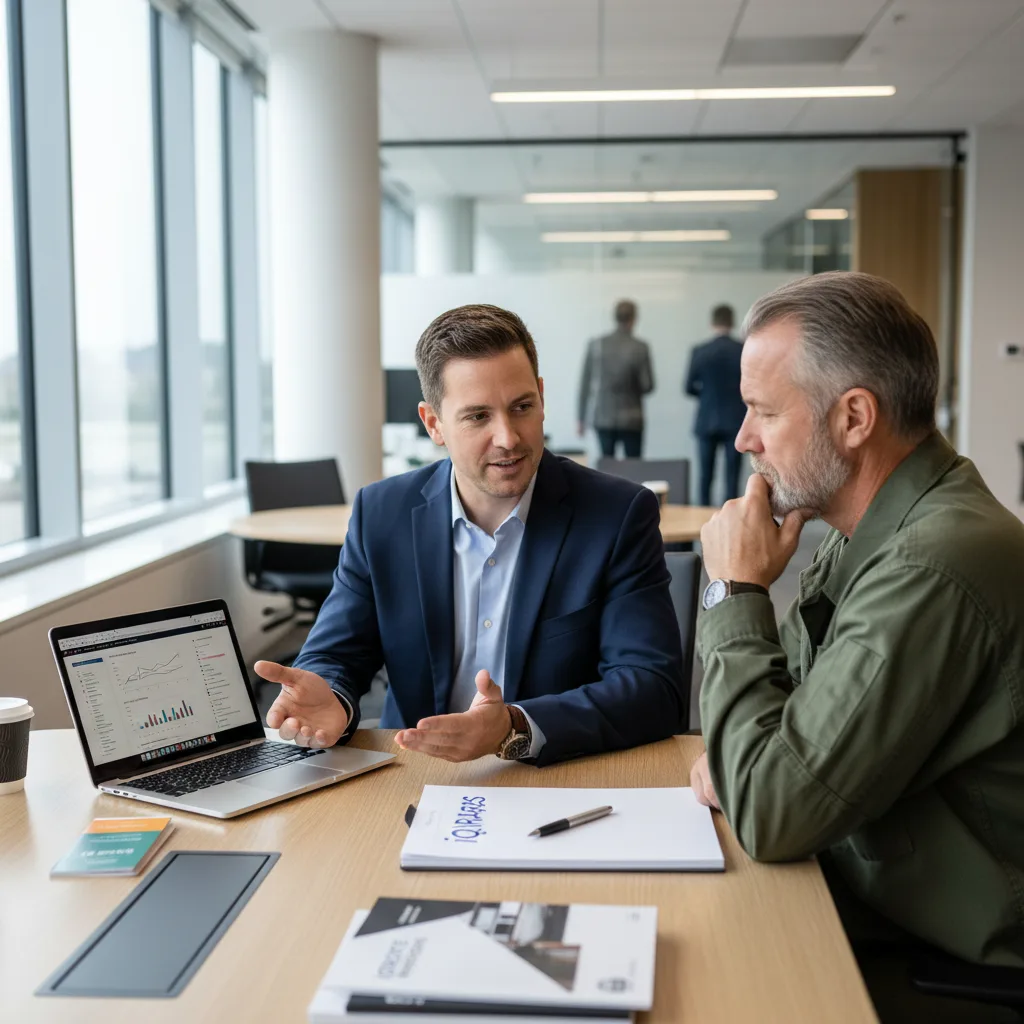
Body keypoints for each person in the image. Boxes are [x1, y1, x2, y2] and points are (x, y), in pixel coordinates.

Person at [689, 272, 1024, 1016]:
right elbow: (773, 751)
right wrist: (749, 771)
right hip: (864, 899)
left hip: (936, 960)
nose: (743, 439)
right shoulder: (868, 533)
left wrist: (732, 590)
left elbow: (770, 807)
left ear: (853, 418)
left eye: (763, 412)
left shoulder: (932, 565)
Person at [257, 303, 685, 767]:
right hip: (416, 770)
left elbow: (652, 687)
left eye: (522, 407)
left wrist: (514, 726)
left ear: (541, 397)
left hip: (558, 773)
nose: (508, 437)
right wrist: (333, 696)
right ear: (433, 423)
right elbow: (336, 653)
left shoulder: (617, 514)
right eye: (478, 416)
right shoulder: (381, 514)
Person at [577, 300, 654, 458]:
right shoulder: (640, 347)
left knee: (606, 470)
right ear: (634, 318)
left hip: (604, 415)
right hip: (632, 417)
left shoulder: (597, 345)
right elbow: (648, 385)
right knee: (634, 469)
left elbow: (585, 384)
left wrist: (581, 418)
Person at [684, 304, 745, 506]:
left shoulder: (700, 351)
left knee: (705, 476)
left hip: (706, 420)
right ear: (732, 322)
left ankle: (702, 524)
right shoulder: (742, 349)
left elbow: (688, 387)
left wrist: (705, 394)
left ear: (712, 323)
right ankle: (732, 520)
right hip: (735, 419)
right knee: (732, 476)